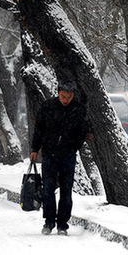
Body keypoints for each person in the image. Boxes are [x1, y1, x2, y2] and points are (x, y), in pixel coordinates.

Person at [30, 80, 89, 236]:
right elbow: (39, 129)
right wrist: (35, 148)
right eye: (63, 96)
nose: (65, 100)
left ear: (73, 95)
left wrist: (73, 146)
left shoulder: (78, 109)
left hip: (67, 155)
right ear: (58, 93)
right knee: (48, 188)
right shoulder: (48, 106)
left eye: (69, 97)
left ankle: (62, 224)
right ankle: (49, 221)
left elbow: (82, 131)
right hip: (49, 153)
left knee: (66, 190)